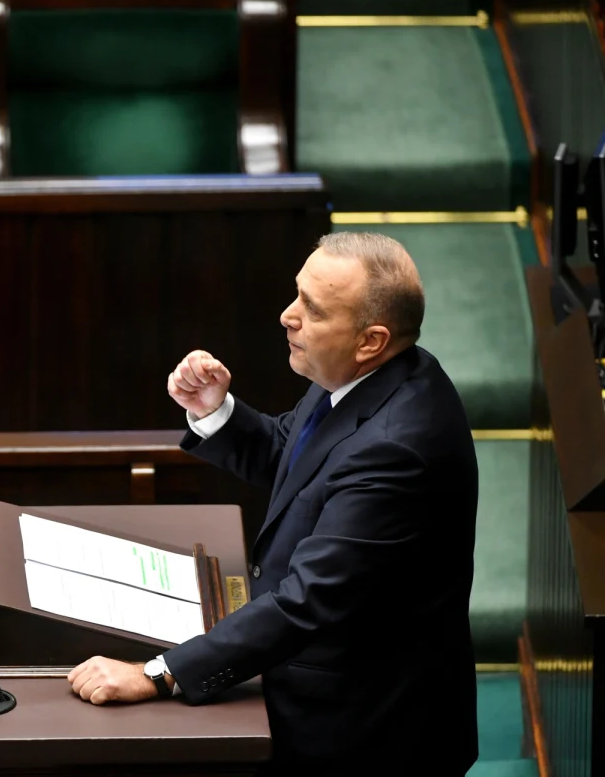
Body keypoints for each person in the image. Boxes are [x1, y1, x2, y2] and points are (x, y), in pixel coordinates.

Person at [66, 231, 479, 775]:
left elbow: (307, 601)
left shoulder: (398, 448)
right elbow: (297, 453)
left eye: (312, 309)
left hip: (365, 729)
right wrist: (216, 411)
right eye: (296, 294)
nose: (287, 316)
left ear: (369, 340)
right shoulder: (367, 377)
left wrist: (157, 674)